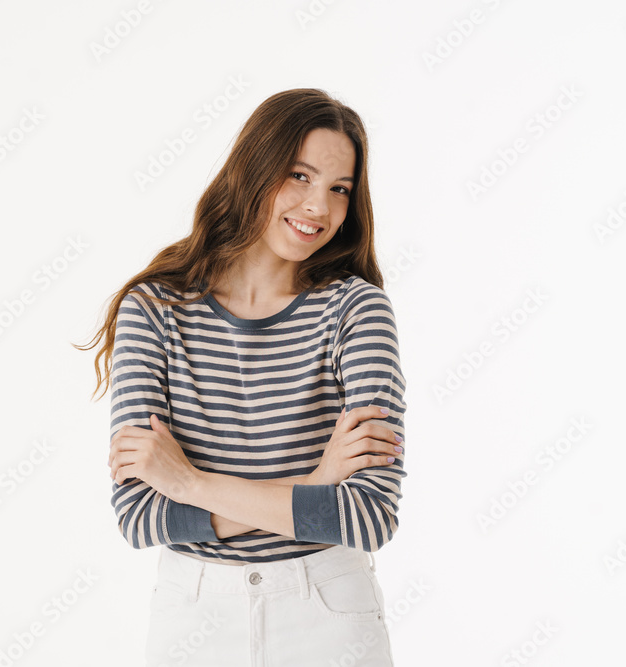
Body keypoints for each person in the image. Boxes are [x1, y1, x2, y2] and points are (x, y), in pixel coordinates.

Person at [80, 88, 407, 666]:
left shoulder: (356, 311)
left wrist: (188, 484)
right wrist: (318, 480)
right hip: (194, 614)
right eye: (300, 176)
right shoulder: (154, 310)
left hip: (328, 611)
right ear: (253, 168)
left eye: (339, 189)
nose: (318, 207)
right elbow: (140, 517)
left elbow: (368, 516)